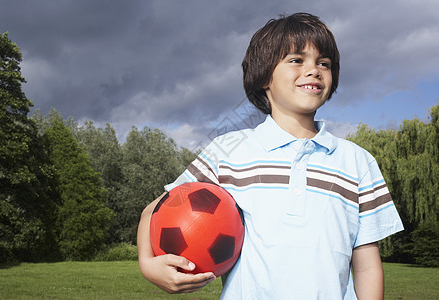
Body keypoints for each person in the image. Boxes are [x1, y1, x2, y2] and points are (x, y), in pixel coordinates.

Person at [137, 12, 404, 299]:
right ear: (264, 76)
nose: (313, 70)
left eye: (323, 63)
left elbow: (366, 264)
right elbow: (154, 209)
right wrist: (148, 265)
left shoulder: (357, 161)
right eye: (296, 60)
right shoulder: (228, 150)